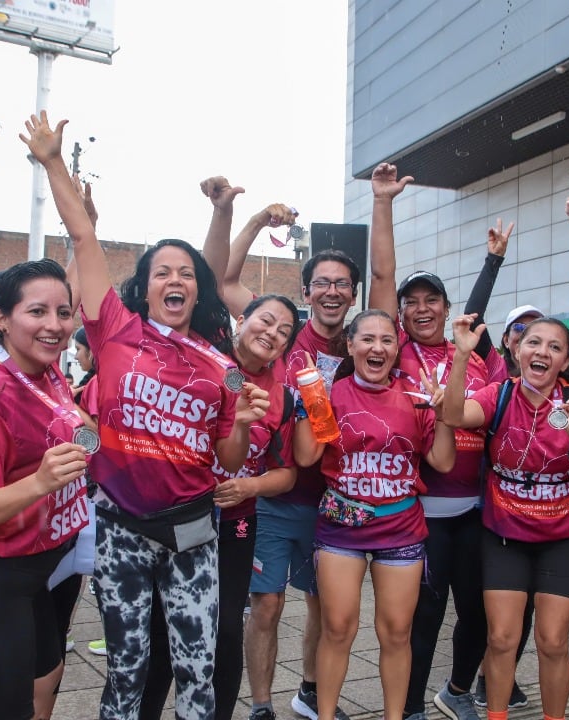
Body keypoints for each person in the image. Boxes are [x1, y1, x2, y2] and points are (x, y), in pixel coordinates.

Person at [26, 110, 267, 720]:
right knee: (127, 669)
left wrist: (241, 422)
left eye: (186, 273)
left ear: (198, 289)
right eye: (163, 272)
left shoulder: (221, 365)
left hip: (193, 532)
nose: (175, 279)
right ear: (147, 285)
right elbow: (85, 240)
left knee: (197, 670)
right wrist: (53, 163)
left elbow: (228, 458)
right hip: (121, 527)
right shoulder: (115, 329)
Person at [137, 178, 302, 720]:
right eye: (265, 320)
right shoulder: (206, 348)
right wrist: (236, 214)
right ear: (241, 319)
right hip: (173, 512)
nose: (271, 333)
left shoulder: (283, 395)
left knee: (224, 630)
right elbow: (212, 277)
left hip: (234, 525)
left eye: (283, 331)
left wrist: (249, 485)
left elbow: (288, 474)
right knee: (162, 632)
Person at [367, 161, 512, 720]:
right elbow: (383, 277)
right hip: (421, 513)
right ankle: (409, 708)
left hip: (475, 509)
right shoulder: (397, 351)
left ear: (448, 310)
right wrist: (384, 204)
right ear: (401, 314)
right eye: (413, 302)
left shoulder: (472, 352)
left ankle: (456, 689)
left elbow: (478, 318)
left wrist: (492, 262)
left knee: (477, 613)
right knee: (423, 617)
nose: (422, 308)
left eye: (433, 300)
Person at [211, 209, 360, 718]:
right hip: (274, 499)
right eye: (322, 284)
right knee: (267, 603)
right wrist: (253, 220)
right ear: (307, 291)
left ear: (354, 295)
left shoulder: (362, 341)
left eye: (342, 284)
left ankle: (311, 691)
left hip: (330, 501)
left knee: (323, 604)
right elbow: (225, 280)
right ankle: (260, 704)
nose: (332, 292)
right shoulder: (284, 332)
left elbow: (311, 450)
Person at [0, 258, 91, 720]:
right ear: (0, 318)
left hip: (40, 567)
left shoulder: (47, 370)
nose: (55, 325)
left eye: (63, 313)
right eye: (37, 312)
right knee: (8, 708)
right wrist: (39, 483)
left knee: (48, 674)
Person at [442, 313, 569, 720]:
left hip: (563, 539)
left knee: (552, 642)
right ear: (517, 350)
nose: (543, 352)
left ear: (565, 360)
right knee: (501, 638)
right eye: (534, 342)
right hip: (505, 536)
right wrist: (461, 356)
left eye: (555, 347)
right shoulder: (499, 394)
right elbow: (453, 415)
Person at [293, 309, 456, 720]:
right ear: (350, 345)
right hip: (341, 527)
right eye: (367, 339)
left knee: (397, 633)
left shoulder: (416, 396)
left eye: (387, 340)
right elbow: (306, 456)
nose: (377, 347)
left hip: (400, 528)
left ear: (397, 349)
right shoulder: (332, 393)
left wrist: (444, 414)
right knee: (337, 629)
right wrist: (310, 400)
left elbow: (442, 461)